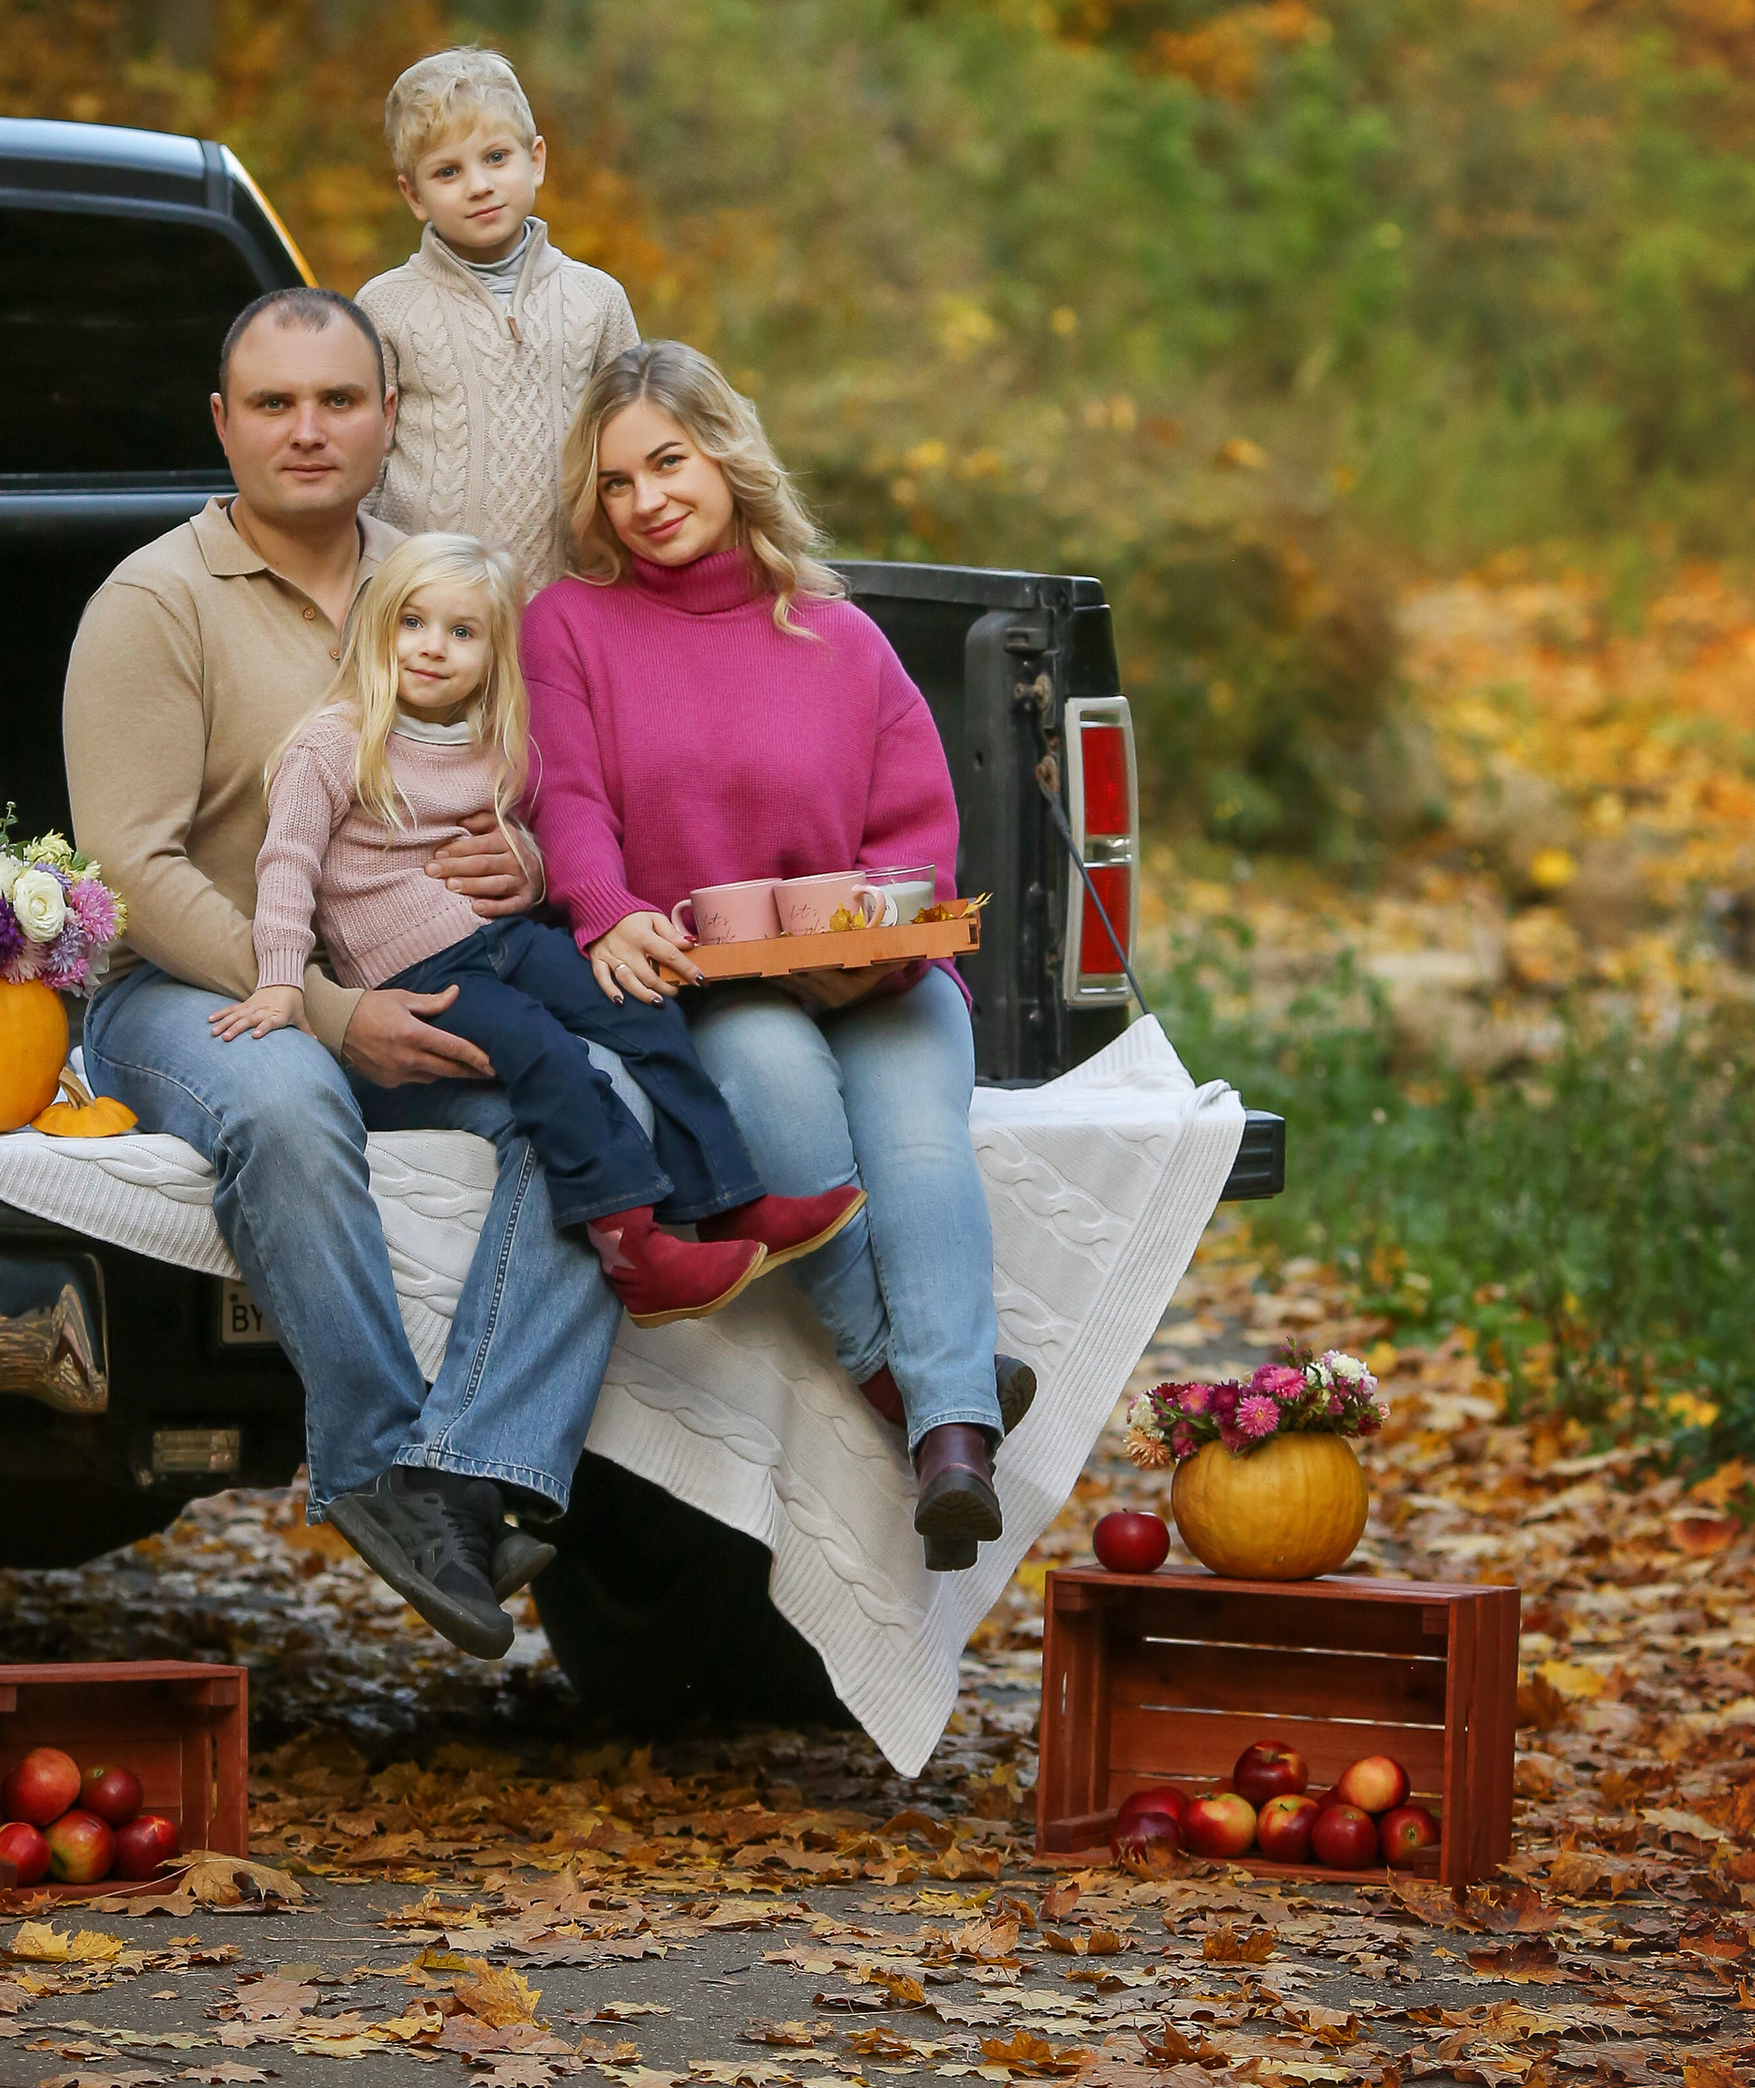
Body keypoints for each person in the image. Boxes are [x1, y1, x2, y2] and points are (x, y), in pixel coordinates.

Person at [61, 284, 625, 1664]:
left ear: (387, 418)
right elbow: (130, 868)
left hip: (420, 974)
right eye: (273, 403)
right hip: (188, 999)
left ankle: (473, 1467)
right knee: (288, 1096)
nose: (306, 430)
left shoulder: (438, 589)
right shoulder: (157, 600)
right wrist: (323, 1011)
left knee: (602, 1103)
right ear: (223, 423)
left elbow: (525, 784)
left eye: (337, 401)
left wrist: (522, 865)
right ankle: (373, 1461)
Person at [521, 340, 1030, 1575]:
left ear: (725, 454)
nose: (646, 501)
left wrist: (875, 949)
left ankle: (953, 1447)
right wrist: (604, 909)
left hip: (878, 977)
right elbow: (566, 800)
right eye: (617, 482)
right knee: (781, 1095)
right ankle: (920, 1396)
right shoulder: (570, 626)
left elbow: (916, 835)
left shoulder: (841, 636)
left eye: (668, 463)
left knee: (918, 1148)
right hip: (722, 984)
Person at [209, 529, 864, 1325]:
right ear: (379, 627)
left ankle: (728, 1200)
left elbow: (534, 839)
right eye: (413, 622)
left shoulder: (496, 747)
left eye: (462, 632)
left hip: (505, 938)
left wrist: (530, 859)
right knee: (544, 1050)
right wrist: (281, 980)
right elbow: (287, 865)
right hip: (416, 971)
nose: (432, 648)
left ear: (494, 657)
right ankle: (635, 1251)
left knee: (639, 1005)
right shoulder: (335, 744)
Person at [356, 45, 638, 594]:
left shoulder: (597, 298)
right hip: (427, 606)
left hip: (570, 597)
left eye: (496, 158)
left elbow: (634, 444)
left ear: (536, 159)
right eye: (447, 171)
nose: (478, 185)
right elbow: (364, 465)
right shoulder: (385, 306)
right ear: (413, 194)